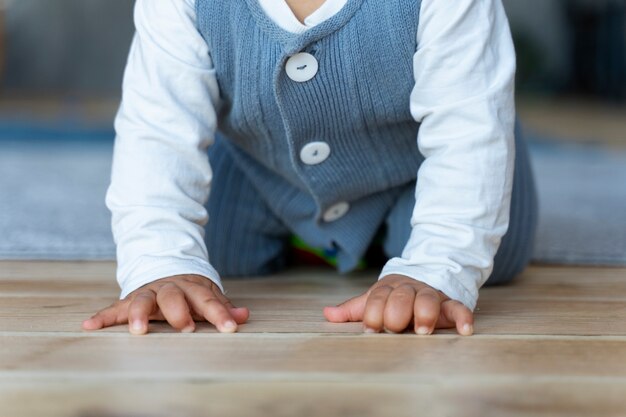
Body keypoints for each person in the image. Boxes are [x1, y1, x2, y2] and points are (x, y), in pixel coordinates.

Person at [82, 0, 538, 337]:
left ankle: (386, 242)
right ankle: (326, 236)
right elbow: (159, 131)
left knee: (486, 251)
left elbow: (467, 134)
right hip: (264, 160)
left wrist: (439, 268)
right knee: (216, 250)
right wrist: (160, 261)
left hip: (416, 164)